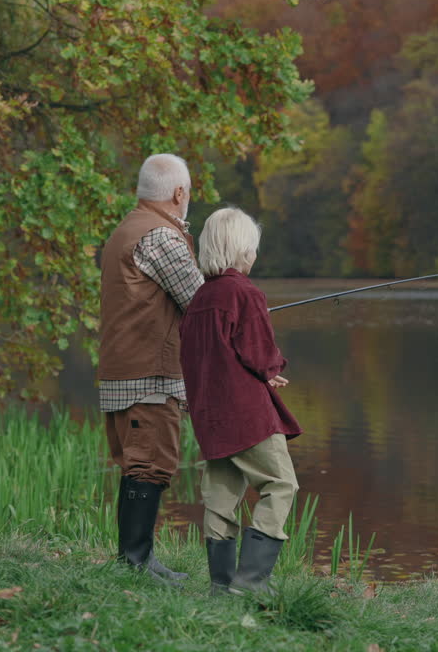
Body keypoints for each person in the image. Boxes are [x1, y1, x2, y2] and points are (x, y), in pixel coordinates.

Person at [179, 207, 302, 595]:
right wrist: (271, 367)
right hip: (246, 414)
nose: (254, 256)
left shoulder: (198, 299)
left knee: (220, 496)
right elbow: (259, 351)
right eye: (252, 249)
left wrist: (264, 370)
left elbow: (208, 356)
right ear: (241, 250)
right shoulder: (246, 293)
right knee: (281, 485)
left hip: (209, 416)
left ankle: (220, 585)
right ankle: (250, 582)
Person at [98, 153, 204, 583]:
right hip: (148, 377)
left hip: (128, 371)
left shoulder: (128, 227)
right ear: (179, 193)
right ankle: (136, 563)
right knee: (149, 465)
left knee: (141, 465)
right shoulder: (160, 236)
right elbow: (201, 302)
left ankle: (136, 559)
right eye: (189, 192)